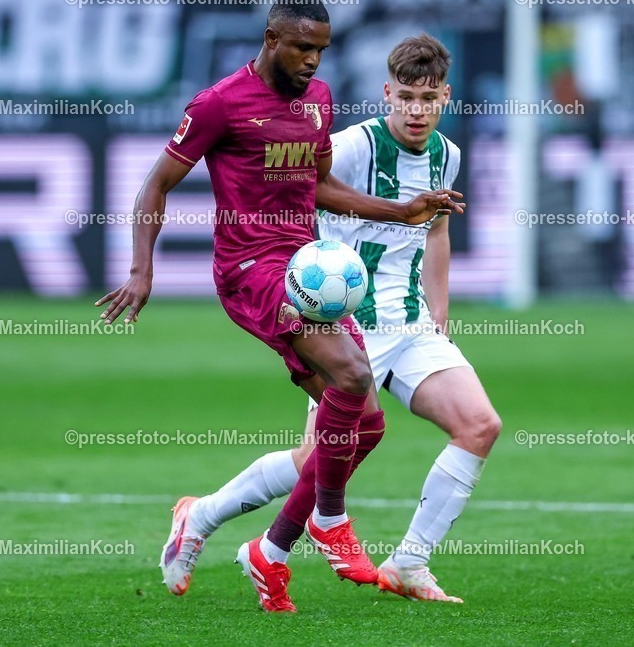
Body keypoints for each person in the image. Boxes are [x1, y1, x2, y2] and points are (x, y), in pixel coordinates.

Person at [96, 0, 463, 613]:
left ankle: (242, 538)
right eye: (302, 48)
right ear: (271, 39)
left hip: (307, 264)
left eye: (321, 49)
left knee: (364, 424)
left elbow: (321, 187)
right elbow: (155, 184)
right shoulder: (219, 104)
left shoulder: (317, 102)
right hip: (249, 269)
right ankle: (329, 520)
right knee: (352, 372)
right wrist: (141, 269)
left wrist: (401, 211)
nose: (313, 61)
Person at [159, 34, 501, 604]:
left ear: (446, 97)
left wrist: (439, 311)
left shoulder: (448, 154)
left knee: (479, 426)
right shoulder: (347, 146)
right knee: (316, 459)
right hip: (345, 328)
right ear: (387, 93)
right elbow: (298, 198)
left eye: (429, 99)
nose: (417, 111)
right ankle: (206, 519)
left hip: (410, 323)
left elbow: (437, 229)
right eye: (407, 98)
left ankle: (411, 562)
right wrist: (294, 285)